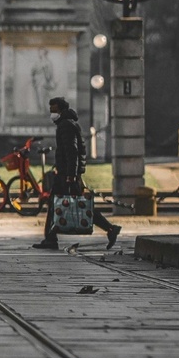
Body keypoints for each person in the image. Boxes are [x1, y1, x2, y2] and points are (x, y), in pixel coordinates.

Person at [33, 97, 120, 251]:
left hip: (67, 175)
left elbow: (72, 151)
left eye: (53, 110)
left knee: (59, 203)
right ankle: (51, 238)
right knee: (70, 203)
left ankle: (51, 239)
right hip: (67, 173)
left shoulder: (65, 125)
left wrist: (71, 175)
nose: (51, 113)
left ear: (60, 110)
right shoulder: (68, 123)